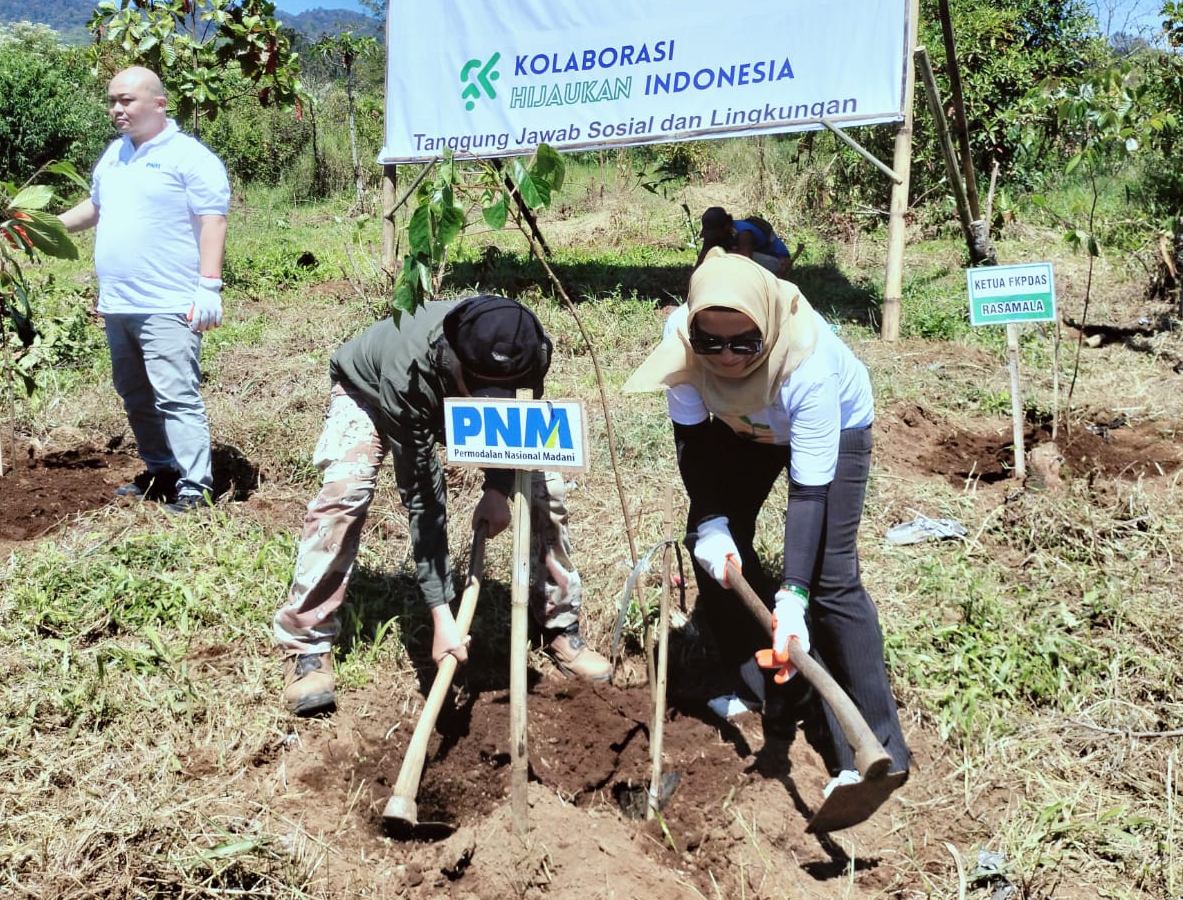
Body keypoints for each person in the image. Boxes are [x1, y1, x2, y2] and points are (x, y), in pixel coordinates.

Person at [624, 252, 910, 799]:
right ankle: (761, 684)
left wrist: (794, 596)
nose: (726, 357)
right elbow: (694, 444)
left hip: (832, 428)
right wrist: (710, 519)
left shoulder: (810, 365)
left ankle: (878, 750)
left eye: (743, 343)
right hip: (742, 428)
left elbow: (809, 493)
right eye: (712, 343)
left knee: (831, 581)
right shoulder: (681, 348)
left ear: (768, 332)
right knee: (713, 555)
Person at [274, 295, 613, 716]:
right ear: (452, 359)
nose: (496, 399)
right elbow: (423, 495)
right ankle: (306, 644)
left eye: (504, 390)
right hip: (371, 392)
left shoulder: (528, 346)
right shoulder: (409, 372)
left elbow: (516, 424)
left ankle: (560, 625)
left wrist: (499, 487)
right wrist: (441, 613)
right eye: (484, 390)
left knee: (547, 489)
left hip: (448, 395)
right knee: (347, 491)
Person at [58, 66, 229, 511]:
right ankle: (162, 470)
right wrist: (44, 229)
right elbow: (95, 208)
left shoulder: (190, 157)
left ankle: (196, 485)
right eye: (113, 100)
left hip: (168, 302)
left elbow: (213, 219)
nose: (117, 109)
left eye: (127, 100)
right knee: (135, 394)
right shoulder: (114, 156)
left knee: (175, 394)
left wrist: (209, 287)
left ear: (159, 103)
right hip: (118, 304)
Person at [696, 206, 793, 276]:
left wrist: (722, 254)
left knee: (727, 257)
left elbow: (746, 260)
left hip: (778, 261)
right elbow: (703, 257)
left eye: (714, 233)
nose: (711, 237)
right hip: (753, 259)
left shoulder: (744, 233)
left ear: (726, 226)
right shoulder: (714, 235)